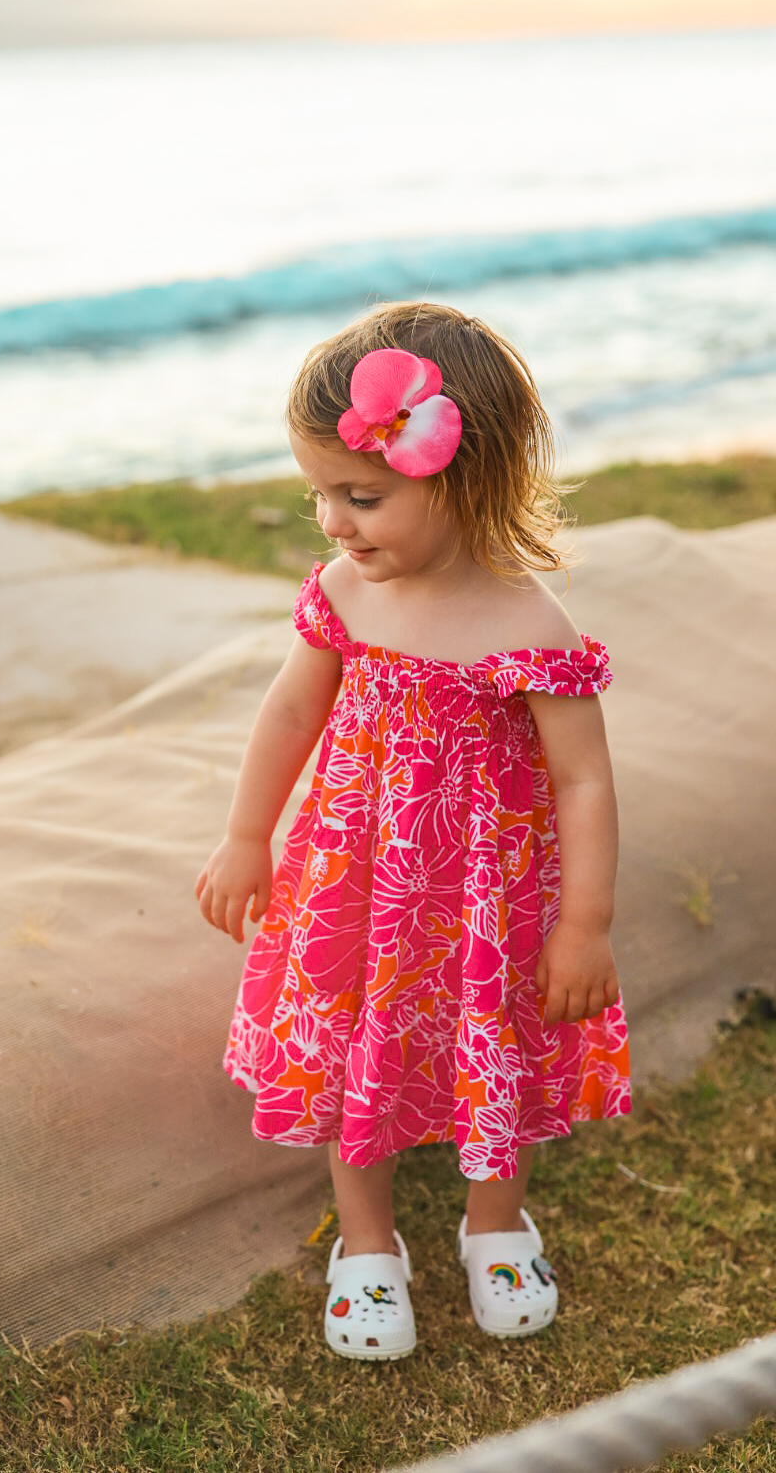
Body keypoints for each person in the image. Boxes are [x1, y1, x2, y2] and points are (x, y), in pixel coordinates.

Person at [195, 301, 630, 1361]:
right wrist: (248, 836)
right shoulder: (346, 593)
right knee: (357, 1052)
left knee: (498, 1041)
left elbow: (583, 781)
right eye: (321, 497)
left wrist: (585, 927)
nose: (334, 523)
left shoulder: (530, 625)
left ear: (464, 476)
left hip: (485, 895)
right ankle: (368, 1243)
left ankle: (495, 1226)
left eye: (362, 495)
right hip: (357, 881)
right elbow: (292, 712)